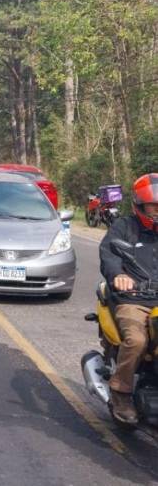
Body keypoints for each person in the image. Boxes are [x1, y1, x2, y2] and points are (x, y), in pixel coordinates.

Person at [99, 173, 158, 424]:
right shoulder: (125, 227)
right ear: (140, 206)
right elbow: (109, 254)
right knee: (136, 340)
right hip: (134, 300)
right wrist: (119, 275)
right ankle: (121, 392)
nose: (157, 213)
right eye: (154, 207)